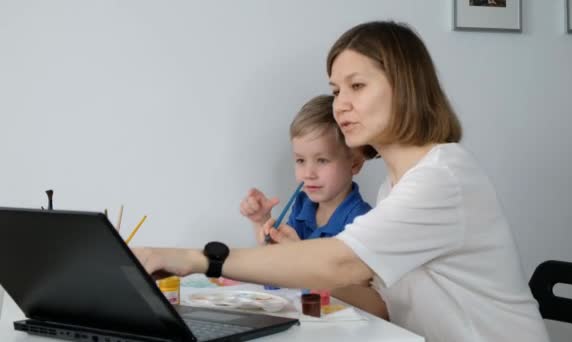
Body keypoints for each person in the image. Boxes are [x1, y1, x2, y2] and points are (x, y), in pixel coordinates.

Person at [134, 21, 550, 342]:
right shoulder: (397, 187)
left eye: (357, 86)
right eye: (336, 90)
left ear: (405, 88)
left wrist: (198, 258)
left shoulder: (444, 177)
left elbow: (341, 261)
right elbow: (382, 305)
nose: (341, 105)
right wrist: (305, 269)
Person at [240, 94, 373, 246]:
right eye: (300, 160)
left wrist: (298, 251)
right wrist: (262, 222)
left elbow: (336, 269)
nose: (308, 174)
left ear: (355, 164)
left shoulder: (363, 223)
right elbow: (277, 262)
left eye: (322, 160)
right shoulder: (303, 205)